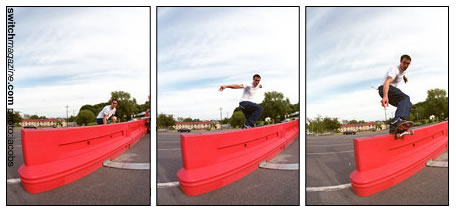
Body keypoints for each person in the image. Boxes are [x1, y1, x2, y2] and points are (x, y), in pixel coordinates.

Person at [378, 55, 413, 133]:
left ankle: (398, 127)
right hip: (385, 88)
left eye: (408, 64)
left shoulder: (403, 70)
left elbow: (402, 74)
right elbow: (387, 82)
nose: (406, 65)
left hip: (391, 91)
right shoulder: (394, 70)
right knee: (405, 98)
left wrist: (405, 78)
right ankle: (396, 121)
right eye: (404, 63)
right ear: (400, 62)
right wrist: (385, 96)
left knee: (408, 104)